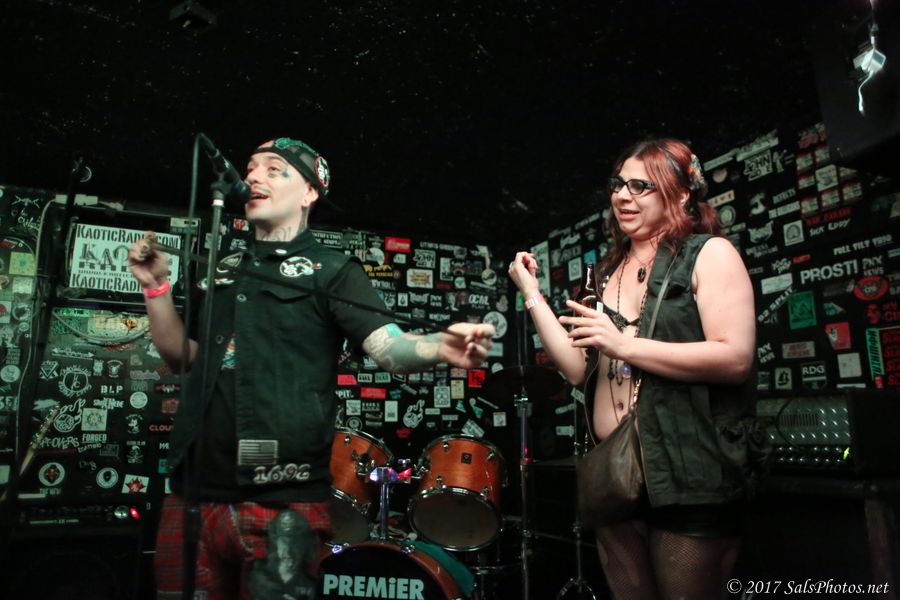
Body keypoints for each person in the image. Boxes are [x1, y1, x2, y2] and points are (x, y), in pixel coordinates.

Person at [128, 136, 495, 600]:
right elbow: (183, 357)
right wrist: (156, 288)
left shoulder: (332, 269)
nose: (253, 176)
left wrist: (439, 345)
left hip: (281, 494)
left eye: (273, 168)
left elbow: (389, 348)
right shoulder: (222, 268)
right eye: (251, 167)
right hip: (192, 490)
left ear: (309, 192)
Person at [509, 138, 764, 600]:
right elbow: (577, 370)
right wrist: (532, 294)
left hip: (686, 470)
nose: (623, 196)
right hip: (615, 473)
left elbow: (734, 358)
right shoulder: (608, 273)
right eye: (618, 184)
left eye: (640, 186)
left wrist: (624, 344)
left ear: (681, 194)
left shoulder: (709, 254)